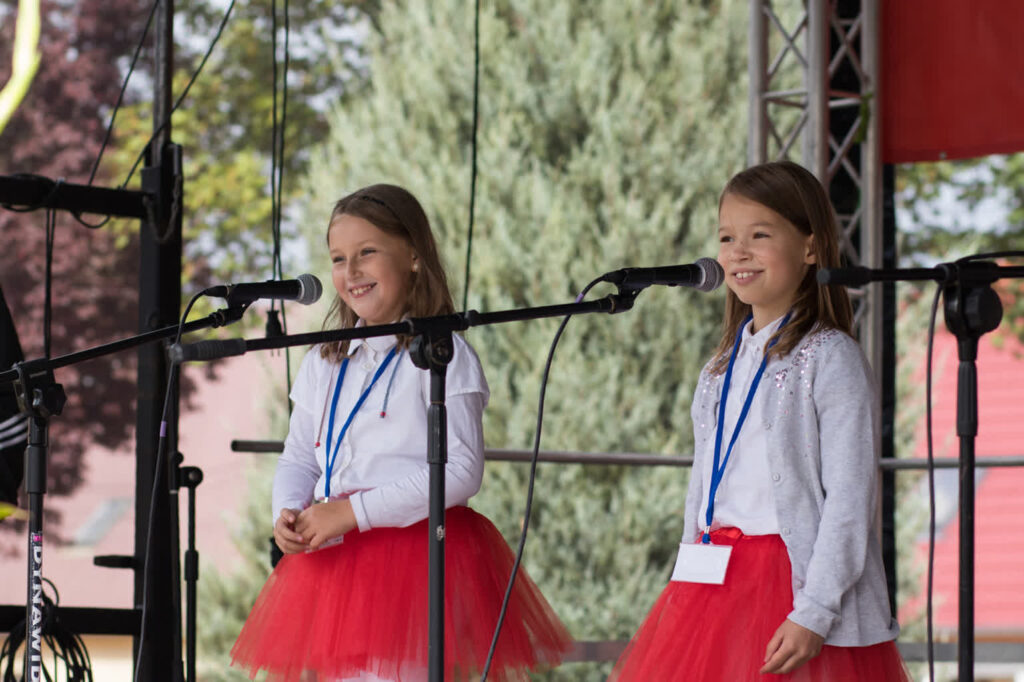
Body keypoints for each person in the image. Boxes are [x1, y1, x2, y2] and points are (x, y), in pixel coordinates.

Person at [231, 184, 571, 682]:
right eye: (339, 258)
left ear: (413, 255)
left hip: (409, 559)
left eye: (368, 252)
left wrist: (351, 512)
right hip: (331, 560)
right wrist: (286, 510)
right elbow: (301, 454)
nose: (351, 272)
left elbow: (460, 472)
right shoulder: (325, 359)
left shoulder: (445, 353)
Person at [610, 161, 911, 681]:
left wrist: (814, 611)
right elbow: (702, 489)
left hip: (794, 590)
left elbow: (849, 498)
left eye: (760, 234)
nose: (737, 252)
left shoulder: (828, 357)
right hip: (714, 585)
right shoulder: (719, 368)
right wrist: (684, 581)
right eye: (727, 237)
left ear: (810, 248)